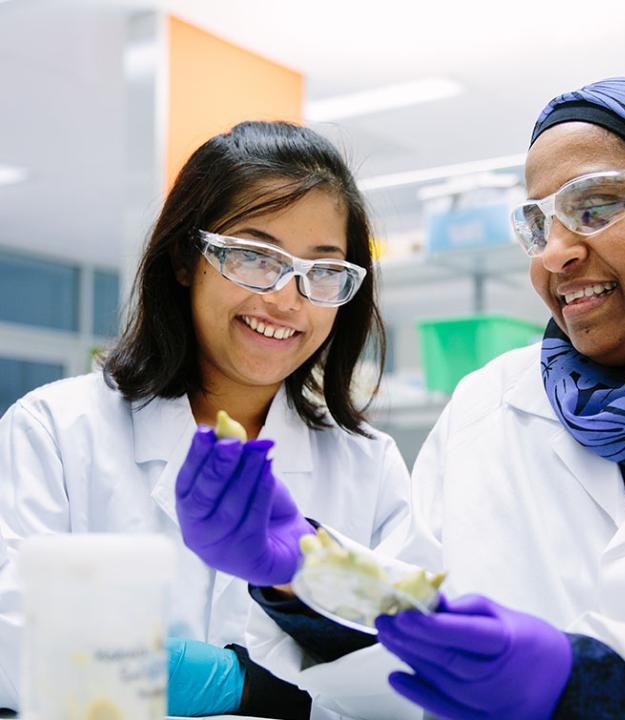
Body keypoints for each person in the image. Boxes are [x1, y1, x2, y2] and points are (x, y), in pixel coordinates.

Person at [177, 78, 625, 719]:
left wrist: (590, 683)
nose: (553, 255)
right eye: (538, 224)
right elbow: (417, 636)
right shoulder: (491, 404)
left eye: (595, 207)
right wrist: (307, 578)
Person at [0, 120, 411, 718]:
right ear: (185, 260)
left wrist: (257, 685)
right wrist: (238, 686)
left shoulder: (367, 464)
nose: (286, 300)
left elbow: (399, 678)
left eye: (322, 270)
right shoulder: (58, 431)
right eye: (253, 256)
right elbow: (12, 645)